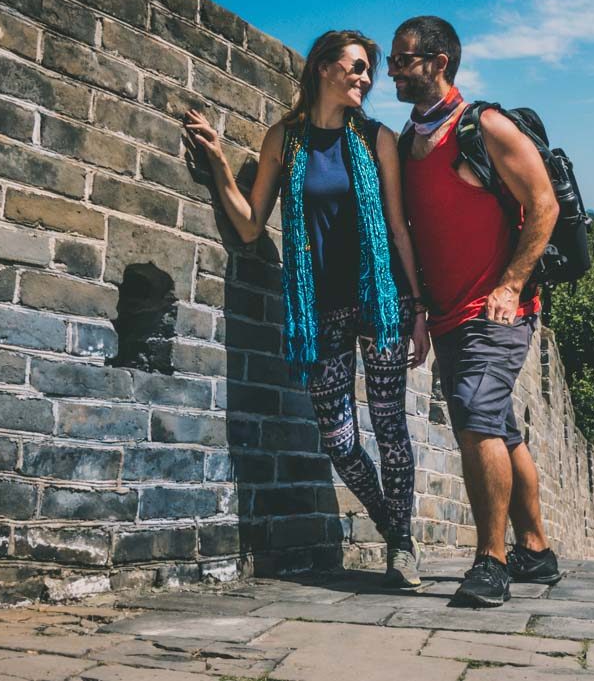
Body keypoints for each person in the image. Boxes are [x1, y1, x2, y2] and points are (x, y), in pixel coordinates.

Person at [183, 30, 430, 590]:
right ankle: (394, 528)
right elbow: (249, 224)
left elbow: (398, 227)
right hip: (317, 309)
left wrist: (418, 308)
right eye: (357, 67)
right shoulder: (286, 140)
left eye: (369, 70)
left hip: (381, 301)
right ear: (322, 68)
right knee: (340, 441)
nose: (366, 78)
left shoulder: (377, 139)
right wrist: (221, 165)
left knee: (389, 426)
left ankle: (402, 545)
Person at [390, 15, 561, 608]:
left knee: (474, 413)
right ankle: (535, 550)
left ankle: (491, 561)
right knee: (500, 428)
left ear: (438, 63)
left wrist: (512, 284)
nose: (391, 70)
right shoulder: (411, 142)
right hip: (445, 313)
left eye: (402, 59)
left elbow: (544, 205)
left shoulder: (483, 126)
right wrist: (418, 308)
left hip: (496, 310)